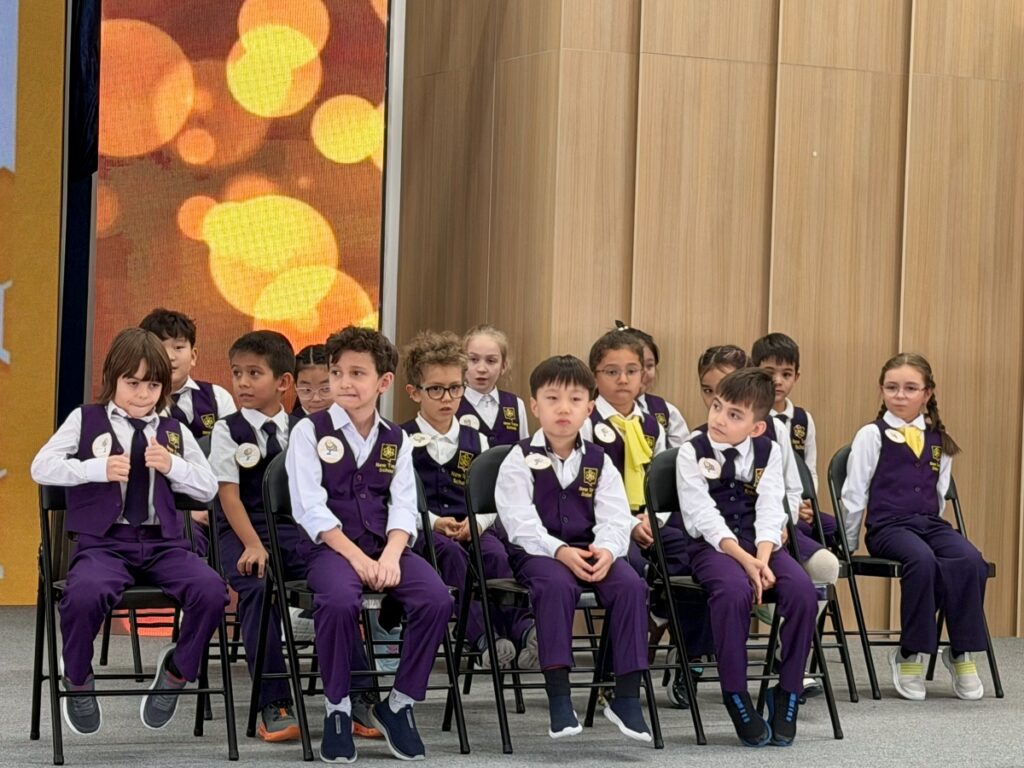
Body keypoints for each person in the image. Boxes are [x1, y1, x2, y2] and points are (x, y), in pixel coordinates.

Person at [30, 327, 226, 735]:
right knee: (85, 594)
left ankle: (177, 671)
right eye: (132, 383)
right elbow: (41, 467)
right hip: (104, 544)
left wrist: (174, 466)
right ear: (112, 379)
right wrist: (94, 469)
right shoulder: (86, 419)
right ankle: (78, 677)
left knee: (211, 591)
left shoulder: (173, 430)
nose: (142, 394)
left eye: (152, 385)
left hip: (164, 543)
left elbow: (209, 488)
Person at [287, 326, 454, 762]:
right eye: (337, 372)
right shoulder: (309, 431)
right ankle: (338, 707)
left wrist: (393, 555)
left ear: (384, 382)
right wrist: (360, 559)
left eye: (357, 373)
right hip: (330, 550)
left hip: (385, 545)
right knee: (339, 601)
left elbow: (404, 506)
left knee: (436, 599)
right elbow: (310, 508)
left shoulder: (396, 438)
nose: (344, 382)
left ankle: (398, 704)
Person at [495, 355, 652, 743]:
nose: (563, 408)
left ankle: (626, 696)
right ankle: (560, 697)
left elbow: (615, 516)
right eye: (552, 399)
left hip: (591, 548)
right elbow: (519, 522)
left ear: (590, 408)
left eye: (575, 399)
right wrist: (559, 550)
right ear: (535, 406)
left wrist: (608, 550)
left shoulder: (600, 460)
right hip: (538, 553)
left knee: (631, 585)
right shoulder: (518, 458)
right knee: (556, 586)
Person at [676, 368, 817, 747]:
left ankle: (787, 691)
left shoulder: (769, 451)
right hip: (714, 548)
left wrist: (764, 558)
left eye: (734, 415)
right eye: (717, 407)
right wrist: (747, 561)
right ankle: (735, 693)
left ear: (756, 427)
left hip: (761, 545)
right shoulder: (691, 450)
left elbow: (772, 508)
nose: (719, 418)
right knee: (734, 591)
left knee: (803, 593)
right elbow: (702, 516)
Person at [841, 353, 987, 701]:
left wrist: (936, 531)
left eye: (910, 388)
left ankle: (960, 651)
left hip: (929, 524)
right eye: (892, 387)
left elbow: (939, 494)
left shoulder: (939, 440)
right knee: (921, 561)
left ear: (927, 393)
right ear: (882, 390)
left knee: (970, 560)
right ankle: (910, 652)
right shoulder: (871, 435)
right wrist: (847, 542)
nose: (900, 395)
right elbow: (854, 493)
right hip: (888, 527)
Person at [456, 324, 529, 445]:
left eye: (491, 361)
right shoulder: (453, 402)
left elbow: (524, 450)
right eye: (473, 360)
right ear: (462, 363)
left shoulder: (516, 405)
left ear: (503, 366)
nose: (481, 369)